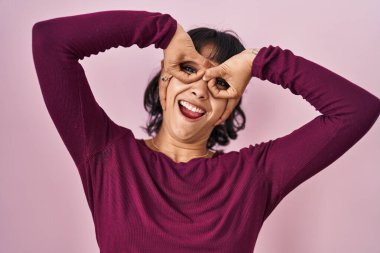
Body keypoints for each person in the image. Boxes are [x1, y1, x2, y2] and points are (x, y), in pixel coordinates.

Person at [32, 10, 380, 253]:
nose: (200, 90)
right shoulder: (107, 153)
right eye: (187, 69)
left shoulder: (254, 174)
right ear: (164, 79)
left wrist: (259, 62)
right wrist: (163, 32)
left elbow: (356, 110)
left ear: (229, 107)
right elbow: (51, 41)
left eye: (220, 83)